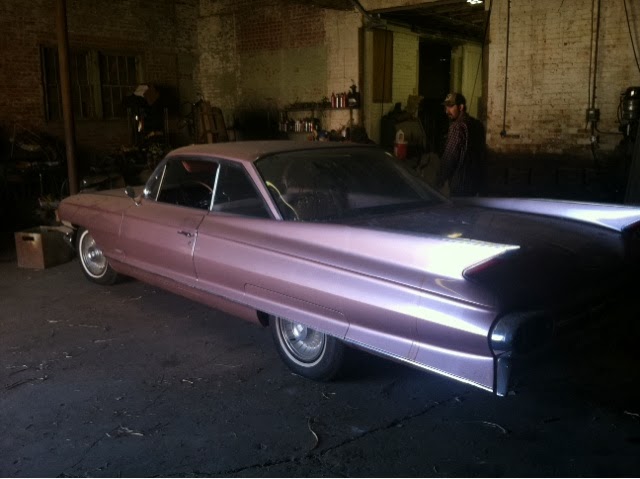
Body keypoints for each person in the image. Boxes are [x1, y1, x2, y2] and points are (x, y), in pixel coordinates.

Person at [436, 92, 485, 196]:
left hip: (460, 185)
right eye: (446, 107)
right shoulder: (478, 124)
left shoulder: (457, 127)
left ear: (461, 107)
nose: (447, 111)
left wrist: (439, 180)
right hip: (476, 184)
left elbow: (450, 157)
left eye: (450, 107)